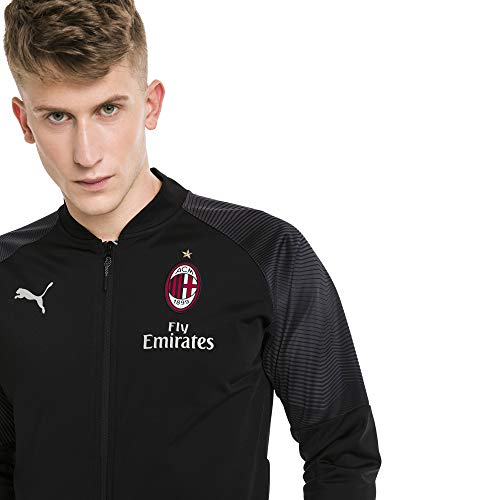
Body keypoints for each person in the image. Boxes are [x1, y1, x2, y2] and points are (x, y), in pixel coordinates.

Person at [0, 1, 382, 499]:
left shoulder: (264, 252)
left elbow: (342, 454)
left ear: (151, 105)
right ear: (24, 121)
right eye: (57, 117)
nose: (86, 153)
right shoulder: (8, 274)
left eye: (108, 109)